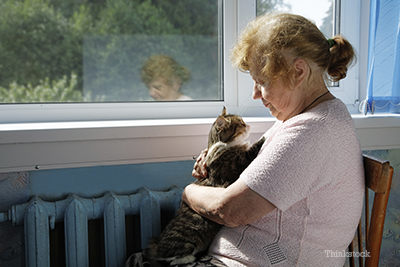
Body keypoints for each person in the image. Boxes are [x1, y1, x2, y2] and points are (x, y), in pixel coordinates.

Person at [127, 13, 364, 267]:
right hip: (238, 258)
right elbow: (257, 172)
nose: (254, 94)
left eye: (261, 81)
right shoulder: (302, 119)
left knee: (137, 263)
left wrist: (190, 192)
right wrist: (219, 161)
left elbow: (229, 211)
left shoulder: (312, 132)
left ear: (298, 72)